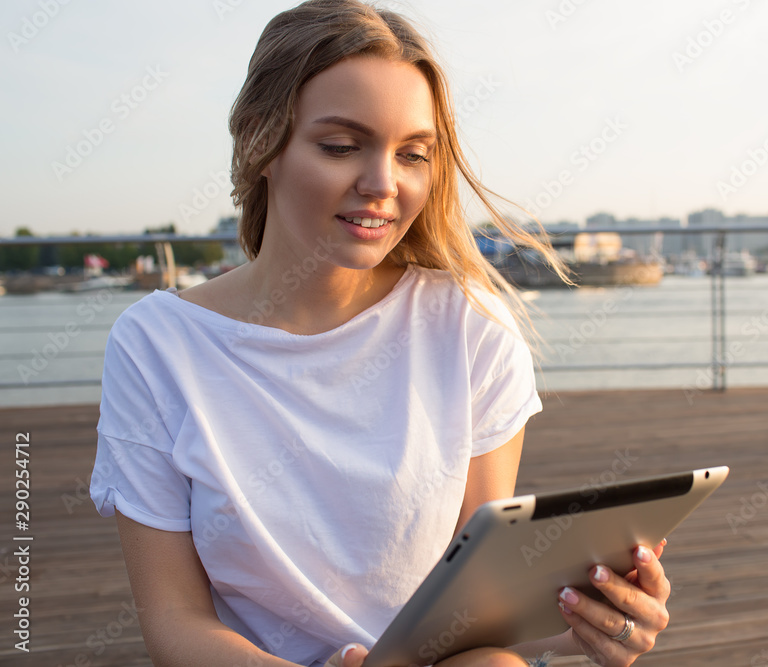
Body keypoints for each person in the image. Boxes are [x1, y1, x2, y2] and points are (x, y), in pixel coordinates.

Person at [88, 2, 671, 666]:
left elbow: (477, 614)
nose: (382, 184)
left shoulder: (472, 329)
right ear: (258, 139)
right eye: (340, 146)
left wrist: (589, 621)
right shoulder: (157, 346)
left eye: (413, 154)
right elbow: (174, 621)